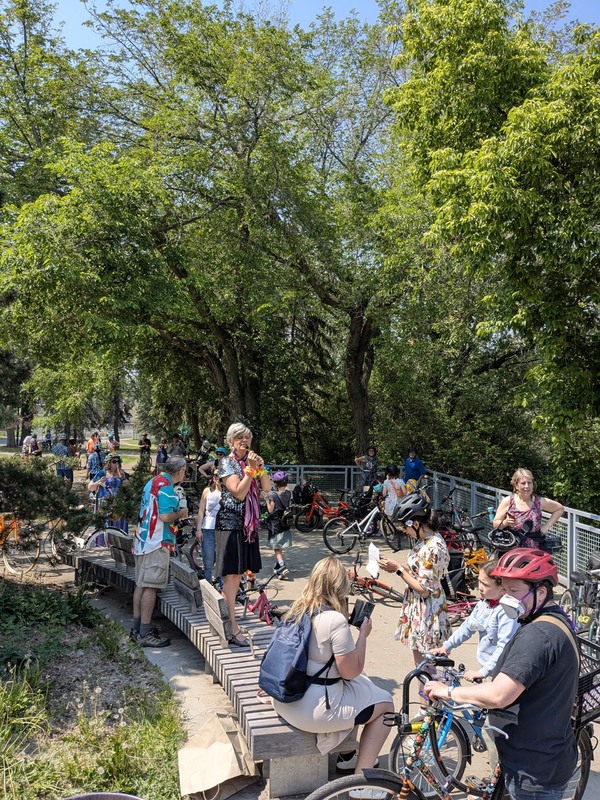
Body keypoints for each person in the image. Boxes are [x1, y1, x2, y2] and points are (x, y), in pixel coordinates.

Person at [423, 548, 579, 800]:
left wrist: (449, 692)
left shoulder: (537, 636)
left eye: (513, 591)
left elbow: (499, 695)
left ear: (541, 592)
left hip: (533, 770)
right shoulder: (555, 619)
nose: (507, 598)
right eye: (504, 590)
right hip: (542, 753)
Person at [270, 557, 394, 783]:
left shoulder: (298, 608)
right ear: (339, 587)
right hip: (312, 712)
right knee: (385, 704)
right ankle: (362, 783)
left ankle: (349, 754)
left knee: (363, 688)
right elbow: (351, 672)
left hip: (284, 700)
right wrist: (363, 636)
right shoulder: (335, 620)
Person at [378, 493, 451, 668]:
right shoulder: (425, 540)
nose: (404, 530)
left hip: (428, 610)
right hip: (421, 608)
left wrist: (398, 569)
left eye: (404, 526)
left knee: (427, 668)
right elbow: (420, 569)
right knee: (422, 665)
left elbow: (423, 589)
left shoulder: (433, 547)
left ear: (416, 523)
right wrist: (395, 566)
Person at [216, 421, 270, 647]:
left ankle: (231, 623)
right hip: (230, 525)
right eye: (240, 438)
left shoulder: (249, 461)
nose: (245, 441)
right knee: (232, 578)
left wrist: (261, 468)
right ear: (231, 442)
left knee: (237, 577)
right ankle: (231, 627)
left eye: (247, 437)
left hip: (246, 527)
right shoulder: (226, 463)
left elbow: (266, 488)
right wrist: (249, 470)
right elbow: (238, 492)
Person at [132, 456, 189, 647]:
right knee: (151, 587)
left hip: (142, 541)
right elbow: (165, 516)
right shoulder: (167, 487)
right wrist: (181, 513)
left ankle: (137, 629)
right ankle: (145, 634)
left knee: (141, 585)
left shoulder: (153, 481)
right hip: (156, 542)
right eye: (185, 470)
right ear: (180, 471)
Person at [430, 560, 519, 682]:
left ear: (503, 589)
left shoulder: (506, 612)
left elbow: (504, 647)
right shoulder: (484, 603)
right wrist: (446, 647)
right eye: (479, 581)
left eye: (485, 584)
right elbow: (467, 627)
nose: (479, 588)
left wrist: (483, 672)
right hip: (487, 667)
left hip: (500, 673)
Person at [493, 468, 564, 548]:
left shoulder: (539, 502)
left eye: (529, 483)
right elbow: (495, 524)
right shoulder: (508, 501)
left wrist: (545, 528)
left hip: (534, 549)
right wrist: (505, 522)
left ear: (533, 485)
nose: (526, 486)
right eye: (523, 483)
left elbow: (559, 509)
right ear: (516, 485)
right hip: (512, 548)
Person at [88, 454, 130, 532]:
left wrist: (124, 478)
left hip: (118, 505)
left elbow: (128, 487)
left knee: (118, 526)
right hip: (104, 504)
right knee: (105, 526)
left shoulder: (123, 473)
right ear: (109, 463)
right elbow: (90, 487)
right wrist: (98, 482)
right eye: (114, 461)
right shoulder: (102, 473)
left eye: (118, 461)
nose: (116, 463)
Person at [266, 470, 292, 578]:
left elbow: (270, 509)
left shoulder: (273, 495)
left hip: (275, 524)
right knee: (279, 546)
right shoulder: (288, 493)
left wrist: (267, 500)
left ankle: (282, 567)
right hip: (284, 522)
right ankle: (277, 567)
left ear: (276, 483)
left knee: (276, 548)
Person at [195, 473, 220, 585]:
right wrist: (198, 529)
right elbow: (201, 510)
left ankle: (222, 587)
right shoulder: (207, 491)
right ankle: (208, 586)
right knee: (208, 562)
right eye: (216, 476)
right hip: (208, 527)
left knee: (221, 560)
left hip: (222, 529)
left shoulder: (228, 491)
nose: (218, 478)